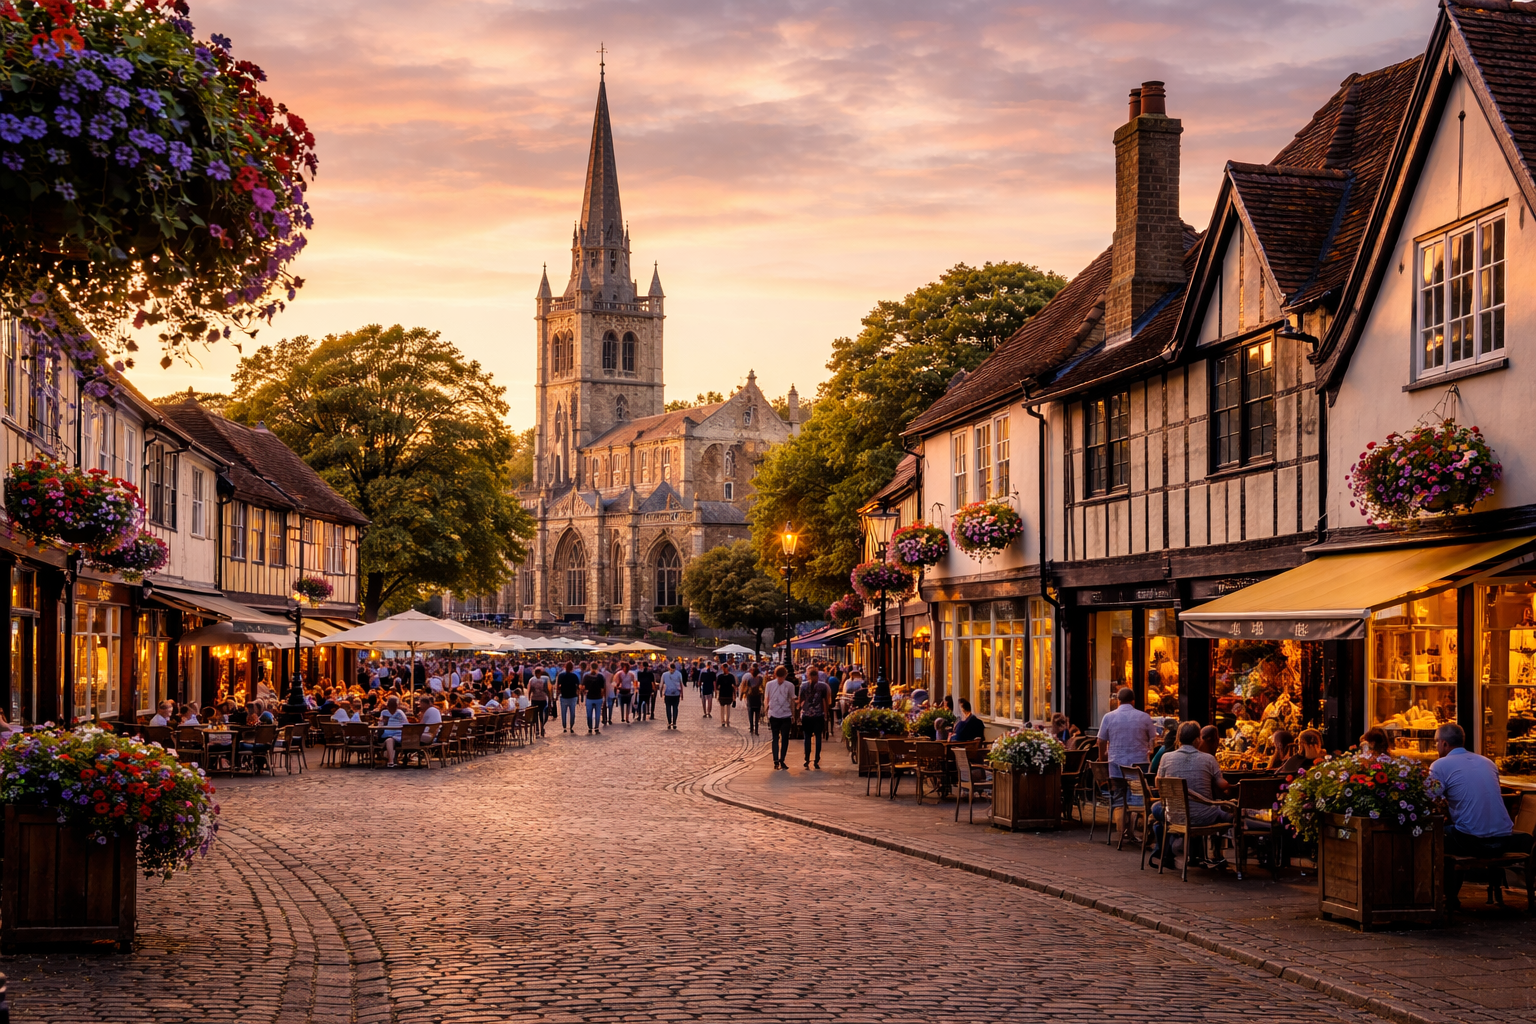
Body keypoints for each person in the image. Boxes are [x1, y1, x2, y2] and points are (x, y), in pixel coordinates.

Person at [1153, 720, 1233, 868]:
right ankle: (1199, 855)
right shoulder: (1209, 759)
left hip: (1175, 816)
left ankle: (1165, 851)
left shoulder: (1166, 757)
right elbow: (1222, 785)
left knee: (1156, 810)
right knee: (1220, 809)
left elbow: (1158, 784)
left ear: (1178, 738)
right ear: (1197, 740)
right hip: (1204, 817)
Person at [1430, 722, 1514, 861]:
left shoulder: (1440, 764)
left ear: (1444, 743)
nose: (1436, 747)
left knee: (1427, 835)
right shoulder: (1488, 762)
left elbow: (1431, 798)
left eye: (1436, 743)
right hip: (1504, 840)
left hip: (1472, 841)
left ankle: (1441, 881)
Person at [1097, 687, 1157, 780]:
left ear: (1118, 701)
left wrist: (1102, 760)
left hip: (1116, 762)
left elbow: (1101, 741)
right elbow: (1153, 739)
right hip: (1139, 763)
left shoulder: (1108, 717)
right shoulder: (1145, 717)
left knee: (1118, 790)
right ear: (1133, 701)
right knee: (1138, 791)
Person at [797, 668, 831, 770]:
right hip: (818, 715)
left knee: (807, 737)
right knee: (818, 737)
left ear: (808, 676)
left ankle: (807, 758)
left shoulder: (803, 685)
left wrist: (800, 709)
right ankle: (816, 759)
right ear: (817, 675)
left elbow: (800, 700)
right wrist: (825, 713)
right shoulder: (822, 686)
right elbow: (825, 701)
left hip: (807, 714)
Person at [766, 665, 796, 770]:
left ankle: (777, 760)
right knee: (782, 738)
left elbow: (766, 699)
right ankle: (780, 760)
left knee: (777, 738)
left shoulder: (769, 684)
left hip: (777, 714)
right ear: (785, 674)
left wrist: (766, 712)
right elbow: (792, 700)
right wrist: (793, 714)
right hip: (783, 714)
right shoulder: (790, 685)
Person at [379, 696, 409, 767]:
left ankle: (392, 760)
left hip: (399, 734)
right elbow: (380, 724)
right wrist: (383, 722)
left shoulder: (400, 713)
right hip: (387, 734)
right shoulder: (384, 712)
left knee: (390, 740)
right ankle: (391, 761)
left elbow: (406, 724)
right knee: (389, 740)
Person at [556, 661, 582, 734]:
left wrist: (557, 695)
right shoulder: (574, 676)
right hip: (573, 696)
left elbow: (558, 686)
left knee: (563, 713)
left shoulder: (561, 675)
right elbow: (578, 687)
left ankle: (564, 726)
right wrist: (579, 697)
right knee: (572, 713)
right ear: (572, 668)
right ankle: (571, 726)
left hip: (563, 696)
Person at [583, 663, 607, 734]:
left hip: (589, 697)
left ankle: (590, 727)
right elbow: (603, 689)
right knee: (597, 713)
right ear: (597, 667)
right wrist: (602, 696)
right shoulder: (600, 676)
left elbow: (583, 687)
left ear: (590, 667)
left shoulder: (586, 676)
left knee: (589, 714)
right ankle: (596, 727)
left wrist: (584, 692)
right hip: (598, 697)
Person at [661, 662, 684, 729]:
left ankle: (669, 722)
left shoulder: (664, 674)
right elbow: (681, 684)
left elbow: (661, 684)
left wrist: (660, 693)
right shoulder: (679, 674)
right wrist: (682, 694)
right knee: (675, 708)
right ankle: (674, 722)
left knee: (668, 708)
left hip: (667, 693)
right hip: (676, 693)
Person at [528, 671, 550, 737]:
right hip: (541, 699)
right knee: (540, 715)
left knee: (538, 715)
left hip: (536, 699)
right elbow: (546, 690)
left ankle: (539, 729)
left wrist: (529, 697)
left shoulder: (532, 680)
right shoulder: (543, 680)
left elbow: (530, 690)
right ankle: (540, 729)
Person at [745, 668, 765, 736]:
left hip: (751, 698)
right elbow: (762, 687)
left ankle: (751, 727)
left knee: (750, 713)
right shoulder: (760, 679)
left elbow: (747, 688)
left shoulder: (749, 679)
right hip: (757, 697)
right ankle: (756, 729)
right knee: (757, 714)